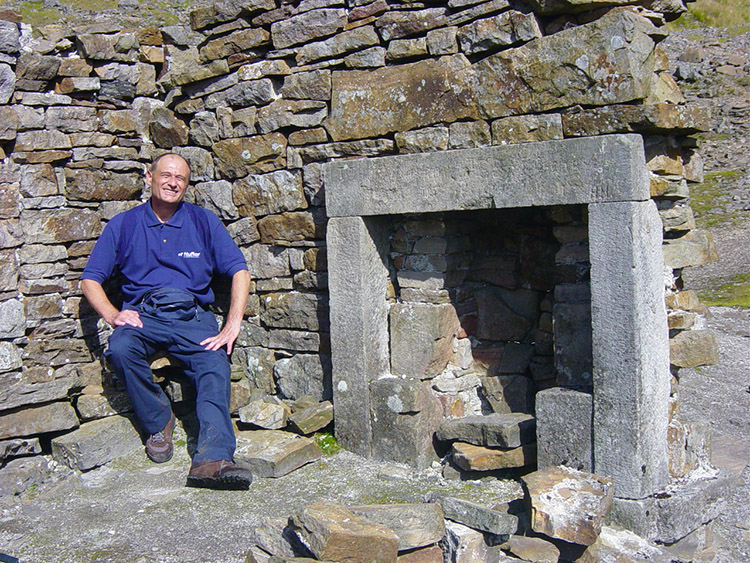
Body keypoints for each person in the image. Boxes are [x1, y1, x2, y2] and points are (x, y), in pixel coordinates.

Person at [80, 153, 253, 490]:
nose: (174, 182)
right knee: (120, 349)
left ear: (187, 185)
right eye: (167, 175)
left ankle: (212, 459)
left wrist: (233, 324)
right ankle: (159, 421)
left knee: (215, 365)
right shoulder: (124, 225)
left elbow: (239, 271)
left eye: (182, 179)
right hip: (144, 315)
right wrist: (114, 315)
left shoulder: (203, 221)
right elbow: (90, 280)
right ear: (149, 177)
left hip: (192, 316)